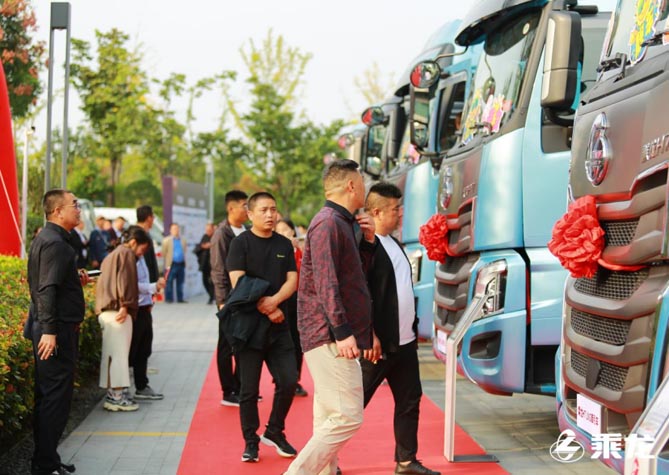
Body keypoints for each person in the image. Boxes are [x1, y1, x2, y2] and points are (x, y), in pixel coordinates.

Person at [285, 159, 376, 475]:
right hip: (328, 334)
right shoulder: (328, 223)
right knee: (348, 415)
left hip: (330, 332)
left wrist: (368, 244)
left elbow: (353, 277)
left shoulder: (342, 223)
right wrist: (342, 331)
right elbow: (326, 282)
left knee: (328, 415)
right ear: (351, 185)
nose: (365, 188)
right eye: (362, 182)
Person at [362, 183, 440, 475]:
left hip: (404, 341)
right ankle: (325, 461)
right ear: (377, 212)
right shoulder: (365, 246)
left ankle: (406, 460)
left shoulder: (394, 243)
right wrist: (368, 334)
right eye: (395, 209)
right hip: (377, 345)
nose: (400, 214)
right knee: (353, 406)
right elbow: (359, 294)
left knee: (409, 400)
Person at [226, 191, 298, 463]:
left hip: (280, 328)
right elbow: (239, 282)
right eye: (264, 210)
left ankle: (275, 430)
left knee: (289, 380)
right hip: (249, 329)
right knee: (249, 390)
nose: (270, 215)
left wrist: (275, 302)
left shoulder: (283, 244)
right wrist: (268, 308)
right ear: (250, 214)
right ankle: (250, 441)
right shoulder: (240, 244)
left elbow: (293, 280)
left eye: (273, 209)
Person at [27, 189, 88, 475]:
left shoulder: (49, 239)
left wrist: (74, 280)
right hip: (56, 332)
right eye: (74, 205)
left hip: (51, 328)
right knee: (55, 400)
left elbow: (50, 283)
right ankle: (44, 465)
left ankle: (47, 459)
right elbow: (46, 290)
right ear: (57, 211)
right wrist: (50, 332)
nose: (78, 209)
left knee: (49, 398)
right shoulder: (56, 244)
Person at [96, 226, 151, 412]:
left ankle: (114, 394)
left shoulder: (113, 254)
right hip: (118, 310)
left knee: (112, 356)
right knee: (119, 356)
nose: (141, 254)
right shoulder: (126, 254)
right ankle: (117, 396)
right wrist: (126, 305)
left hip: (107, 310)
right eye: (142, 249)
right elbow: (125, 281)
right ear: (134, 242)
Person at [210, 190, 248, 406]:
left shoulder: (246, 230)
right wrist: (222, 300)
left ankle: (241, 387)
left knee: (244, 344)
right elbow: (218, 270)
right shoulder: (221, 234)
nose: (247, 209)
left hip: (246, 297)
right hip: (229, 300)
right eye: (244, 205)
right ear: (231, 208)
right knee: (226, 345)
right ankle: (228, 391)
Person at [275, 218, 307, 397]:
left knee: (297, 341)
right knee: (281, 342)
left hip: (299, 302)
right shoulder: (275, 252)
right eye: (279, 231)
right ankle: (281, 378)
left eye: (286, 230)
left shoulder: (300, 251)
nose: (283, 234)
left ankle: (295, 380)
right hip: (281, 301)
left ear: (293, 231)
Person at [162, 223, 187, 303]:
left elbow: (184, 251)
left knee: (180, 282)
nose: (176, 230)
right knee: (169, 282)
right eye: (174, 229)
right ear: (170, 230)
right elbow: (164, 252)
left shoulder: (183, 240)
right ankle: (169, 298)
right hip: (171, 264)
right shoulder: (166, 240)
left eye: (177, 228)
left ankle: (180, 298)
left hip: (181, 264)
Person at [136, 205, 160, 283]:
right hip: (142, 282)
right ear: (149, 218)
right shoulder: (137, 235)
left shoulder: (146, 233)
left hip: (149, 281)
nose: (153, 219)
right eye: (153, 217)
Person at [195, 222, 216, 304]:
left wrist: (212, 245)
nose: (208, 231)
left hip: (214, 264)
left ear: (213, 229)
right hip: (205, 264)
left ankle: (212, 297)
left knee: (213, 281)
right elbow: (198, 248)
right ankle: (211, 296)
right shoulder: (204, 237)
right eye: (207, 230)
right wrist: (203, 246)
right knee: (205, 281)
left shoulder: (216, 236)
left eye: (209, 230)